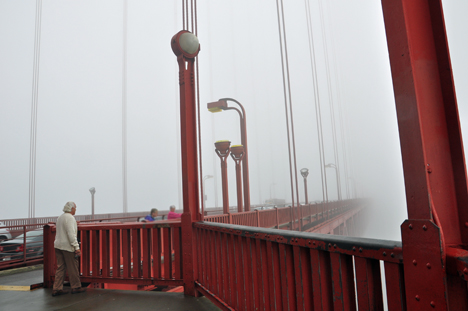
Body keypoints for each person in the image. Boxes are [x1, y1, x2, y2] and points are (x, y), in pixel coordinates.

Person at [52, 201, 87, 296]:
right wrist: (76, 247)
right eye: (75, 208)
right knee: (73, 267)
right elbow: (71, 234)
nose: (75, 210)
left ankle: (57, 288)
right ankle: (76, 287)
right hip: (67, 246)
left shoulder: (60, 217)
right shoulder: (70, 218)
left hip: (58, 245)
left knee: (61, 267)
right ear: (72, 209)